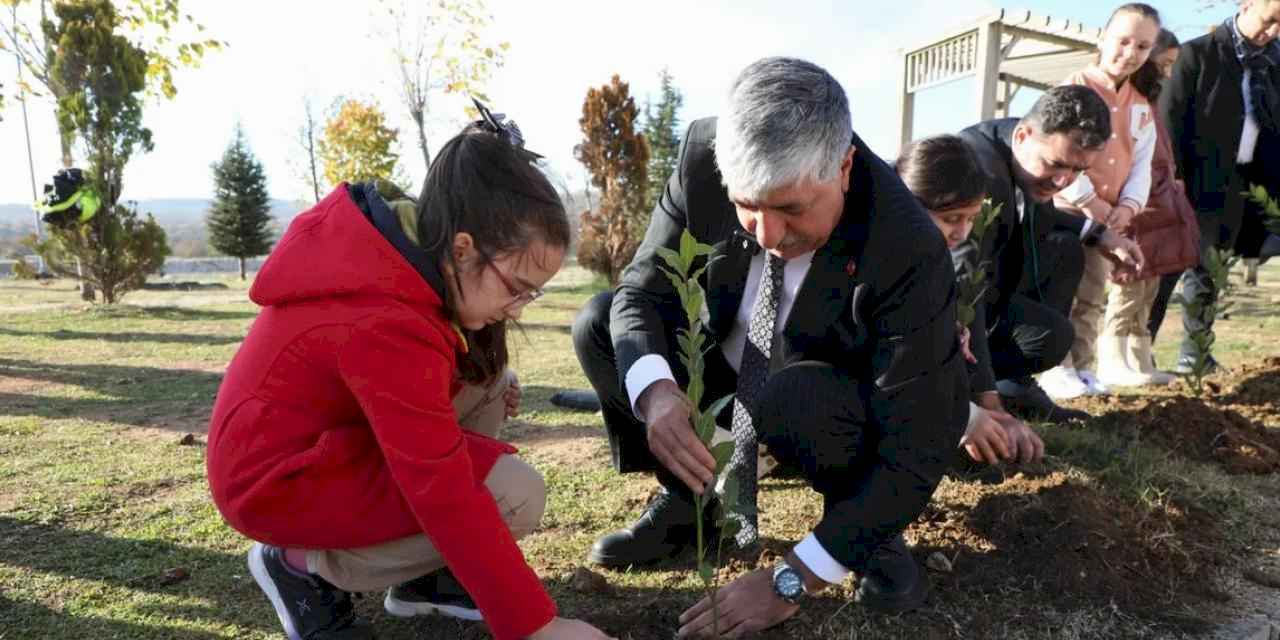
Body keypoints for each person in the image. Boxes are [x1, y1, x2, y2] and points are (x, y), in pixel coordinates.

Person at [574, 57, 969, 636]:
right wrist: (657, 393)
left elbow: (921, 436)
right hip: (727, 368)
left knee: (797, 398)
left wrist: (793, 578)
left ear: (843, 166)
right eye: (746, 206)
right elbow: (640, 292)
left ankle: (863, 530)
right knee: (599, 322)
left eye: (790, 208)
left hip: (824, 399)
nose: (766, 235)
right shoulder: (701, 157)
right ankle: (687, 499)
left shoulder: (906, 244)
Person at [206, 111, 615, 640]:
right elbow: (441, 490)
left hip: (319, 447)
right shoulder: (384, 318)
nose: (517, 308)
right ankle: (298, 566)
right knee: (514, 496)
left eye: (530, 294)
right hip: (274, 482)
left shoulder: (405, 261)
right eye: (516, 286)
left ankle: (426, 580)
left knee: (491, 382)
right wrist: (537, 626)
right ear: (464, 248)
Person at [956, 85, 1144, 423]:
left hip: (990, 292)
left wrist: (1100, 233)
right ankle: (968, 391)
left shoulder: (1018, 147)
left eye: (1077, 171)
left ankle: (1015, 385)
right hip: (939, 316)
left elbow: (1039, 216)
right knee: (1051, 337)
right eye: (1055, 164)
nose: (1062, 182)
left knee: (1065, 249)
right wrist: (987, 403)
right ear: (1024, 136)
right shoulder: (976, 175)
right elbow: (965, 296)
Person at [894, 134, 1044, 466]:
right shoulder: (877, 261)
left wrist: (986, 410)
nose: (962, 233)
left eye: (971, 219)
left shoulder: (930, 261)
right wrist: (965, 417)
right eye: (951, 219)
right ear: (909, 203)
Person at [1045, 3, 1164, 392]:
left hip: (1108, 219)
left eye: (1142, 46)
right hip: (1065, 211)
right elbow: (1053, 151)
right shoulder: (1073, 87)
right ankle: (1055, 367)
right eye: (1123, 40)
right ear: (1103, 37)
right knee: (1061, 289)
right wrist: (1088, 200)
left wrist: (1127, 206)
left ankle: (1083, 366)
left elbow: (1142, 162)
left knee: (1093, 294)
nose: (1130, 53)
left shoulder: (1140, 106)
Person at [1158, 0, 1280, 371]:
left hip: (1248, 181)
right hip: (1194, 180)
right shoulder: (1197, 55)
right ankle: (1136, 350)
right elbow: (1169, 120)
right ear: (1247, 5)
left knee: (1211, 269)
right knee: (1170, 271)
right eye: (1270, 20)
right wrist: (1172, 183)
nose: (1273, 32)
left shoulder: (1275, 64)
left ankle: (1195, 354)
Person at [1104, 28, 1202, 380]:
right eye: (1165, 64)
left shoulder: (1149, 103)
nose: (1169, 73)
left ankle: (1140, 358)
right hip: (1137, 209)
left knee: (1149, 290)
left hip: (1158, 204)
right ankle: (1113, 359)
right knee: (1129, 285)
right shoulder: (1126, 103)